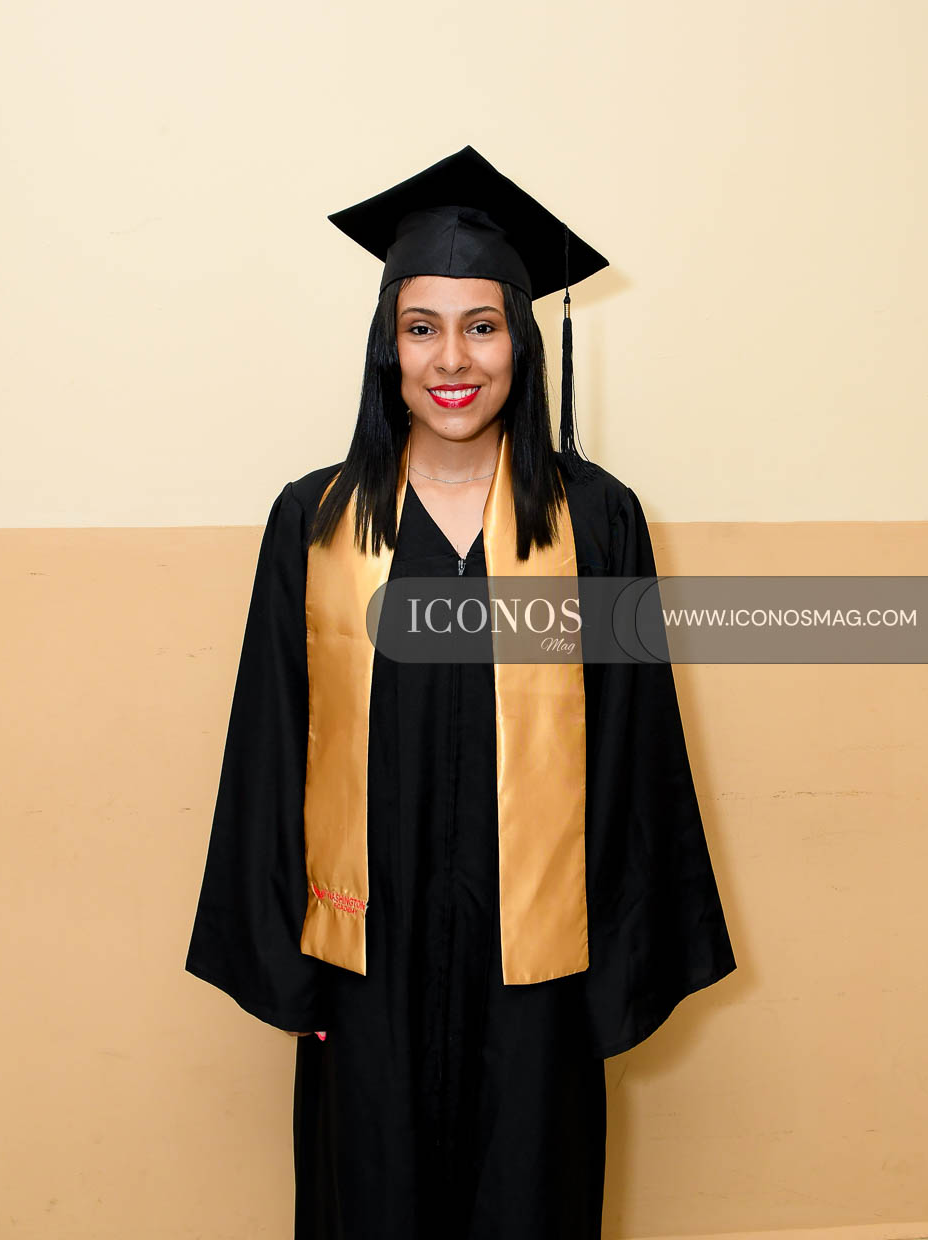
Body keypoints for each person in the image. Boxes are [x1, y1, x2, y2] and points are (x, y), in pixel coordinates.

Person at [185, 145, 737, 1240]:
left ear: (521, 341)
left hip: (534, 974)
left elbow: (634, 755)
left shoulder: (596, 523)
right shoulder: (315, 524)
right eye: (421, 326)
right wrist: (297, 975)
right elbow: (270, 747)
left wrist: (608, 976)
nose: (452, 358)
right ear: (385, 345)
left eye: (481, 326)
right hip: (364, 967)